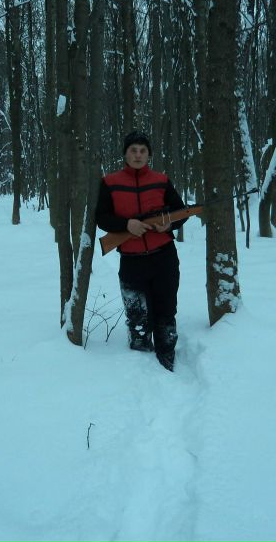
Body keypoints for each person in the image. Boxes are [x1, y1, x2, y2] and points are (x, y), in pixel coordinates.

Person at [95, 130, 186, 371]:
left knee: (166, 311)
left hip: (164, 257)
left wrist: (170, 224)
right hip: (132, 261)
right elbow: (101, 218)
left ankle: (167, 358)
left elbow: (180, 211)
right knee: (137, 317)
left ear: (149, 155)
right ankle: (141, 369)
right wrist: (127, 225)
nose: (138, 155)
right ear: (125, 153)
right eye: (133, 150)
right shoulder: (110, 183)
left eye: (143, 151)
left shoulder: (161, 180)